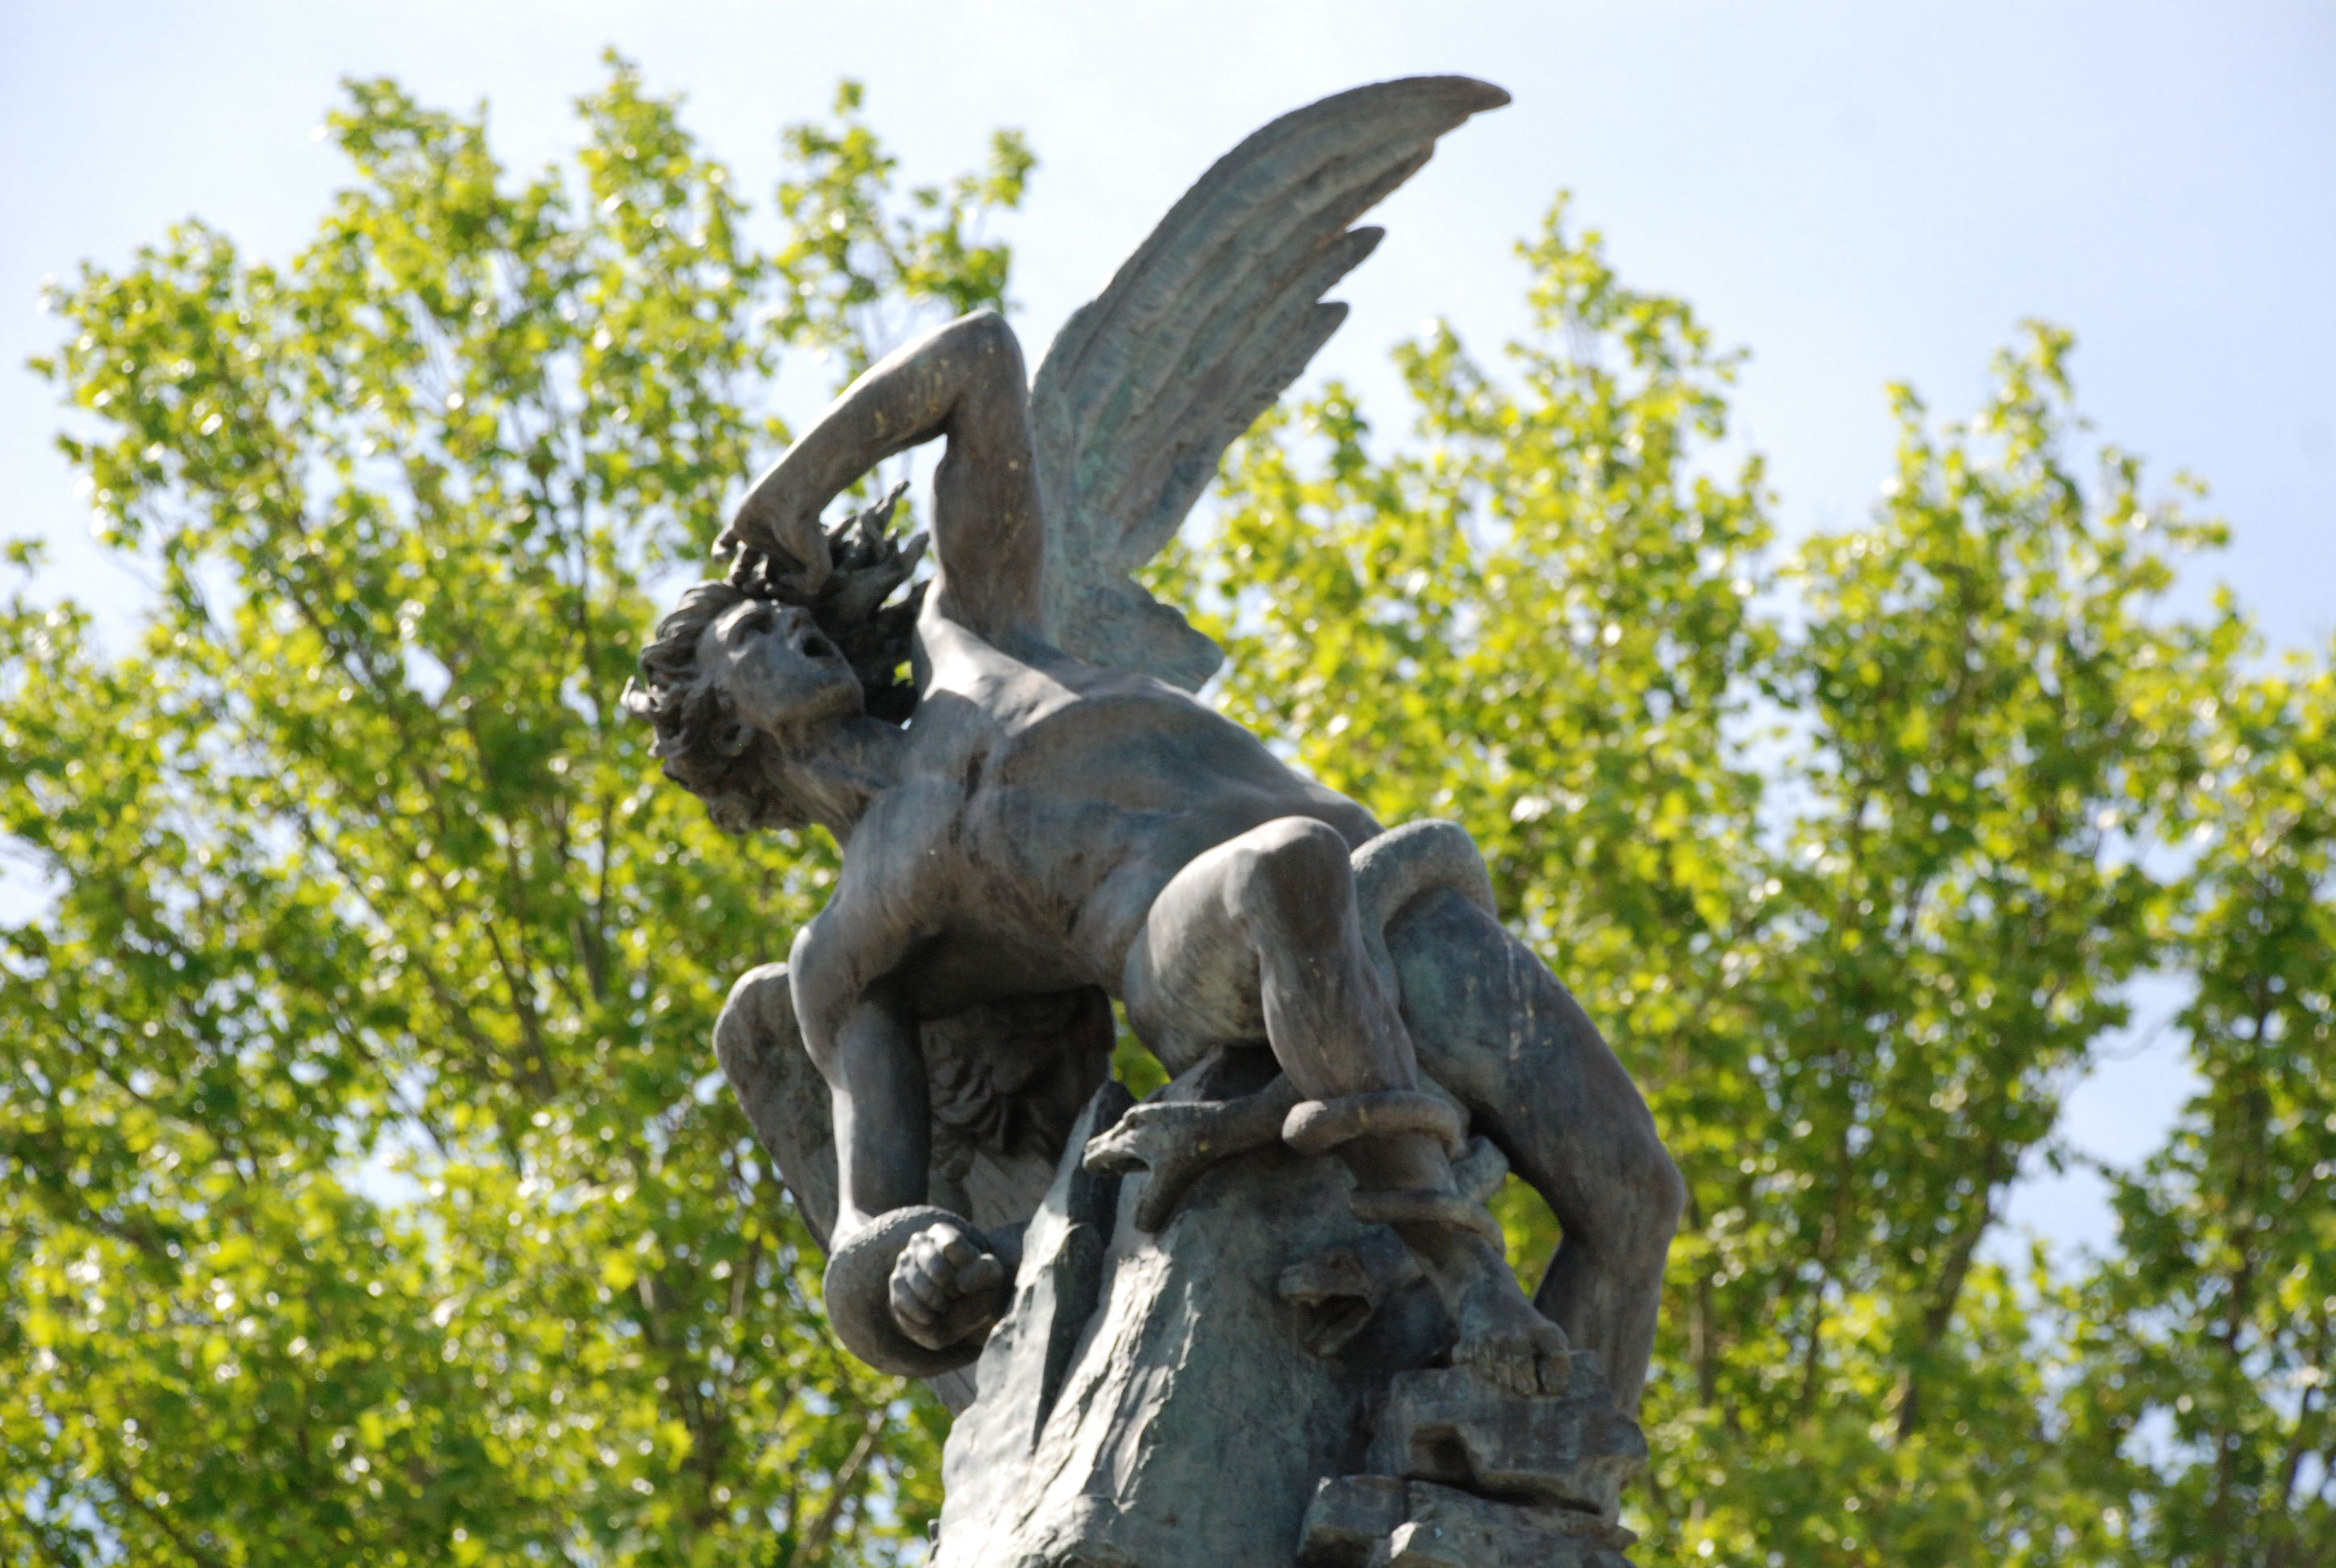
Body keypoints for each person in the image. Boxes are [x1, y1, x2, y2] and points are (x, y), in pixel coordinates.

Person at [627, 308, 1682, 1406]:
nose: (794, 628)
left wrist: (792, 488)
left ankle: (1540, 1473)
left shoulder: (972, 635)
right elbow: (866, 1228)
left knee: (1634, 1197)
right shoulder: (850, 946)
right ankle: (1467, 1272)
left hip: (1399, 910)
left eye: (788, 615)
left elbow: (981, 358)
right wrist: (914, 1270)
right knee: (1285, 866)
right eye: (751, 637)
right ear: (722, 729)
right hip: (1213, 960)